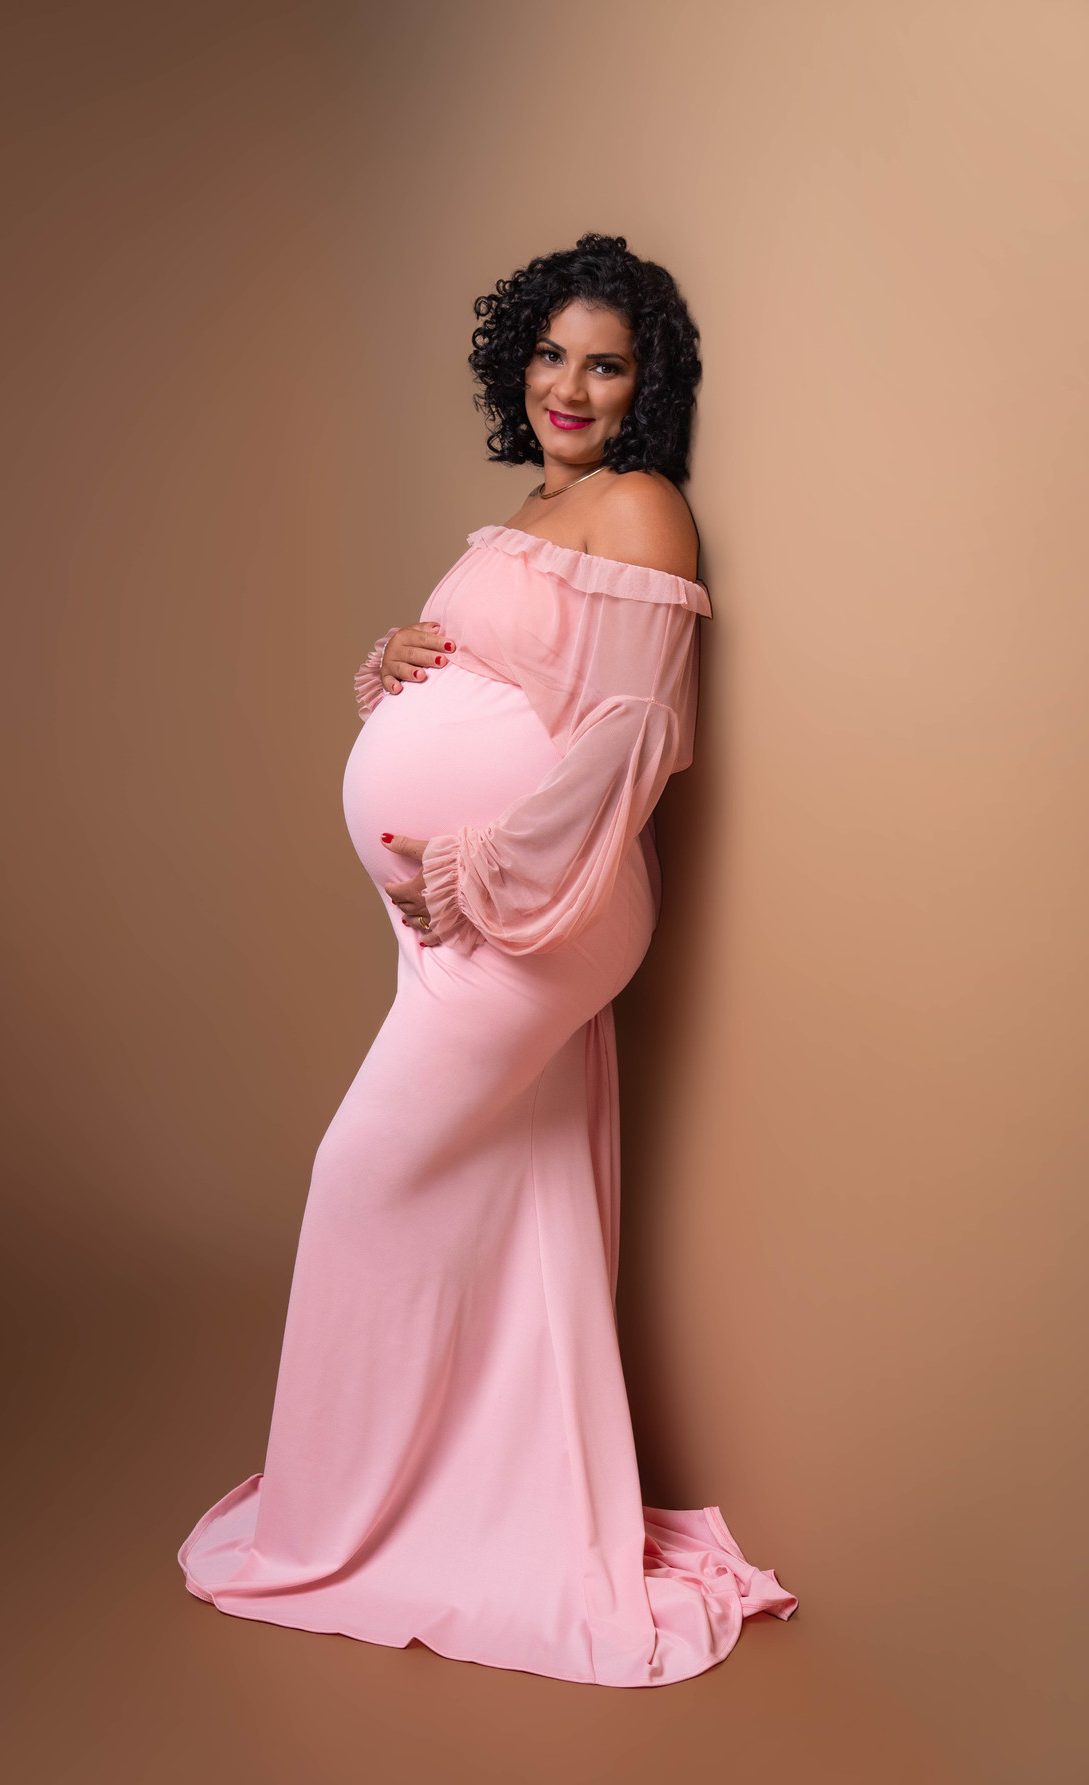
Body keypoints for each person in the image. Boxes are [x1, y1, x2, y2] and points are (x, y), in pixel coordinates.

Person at [179, 234, 796, 1685]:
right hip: (465, 916)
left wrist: (482, 870)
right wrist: (410, 658)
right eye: (551, 354)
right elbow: (520, 673)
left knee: (361, 1174)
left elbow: (627, 744)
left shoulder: (641, 506)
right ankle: (476, 1502)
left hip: (533, 914)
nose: (569, 387)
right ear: (517, 361)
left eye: (606, 365)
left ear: (646, 387)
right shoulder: (542, 505)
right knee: (510, 1198)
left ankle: (338, 1521)